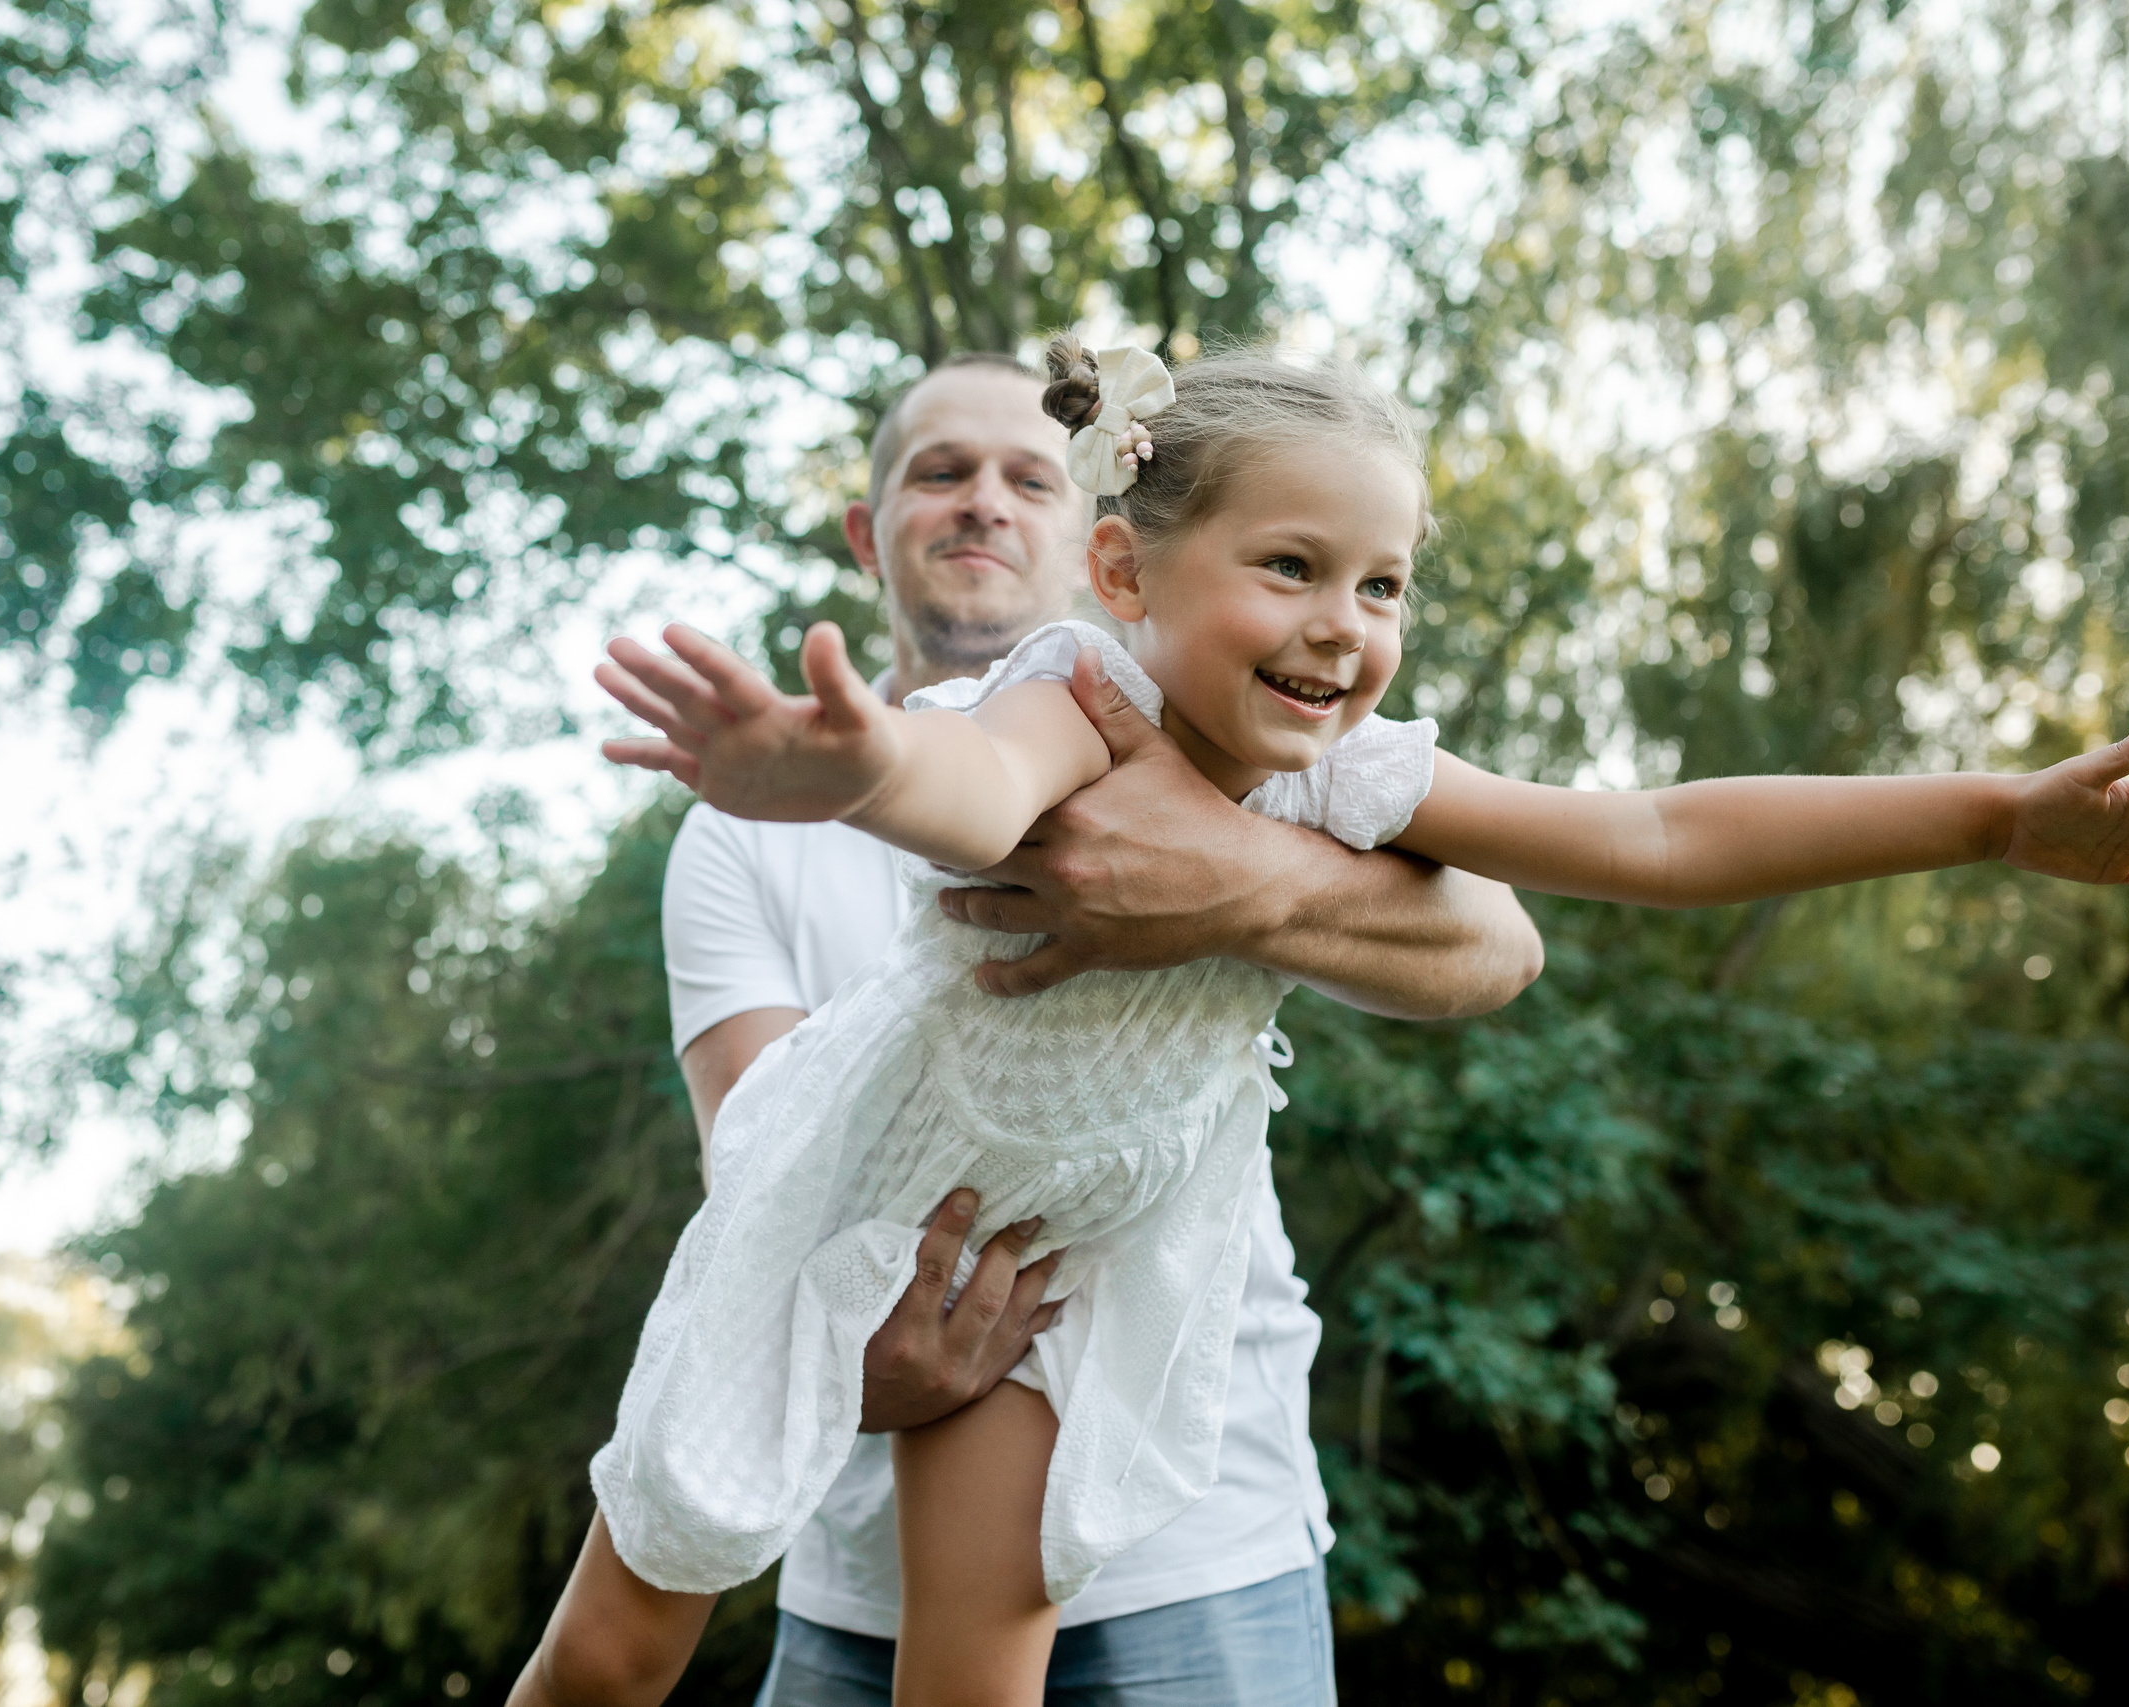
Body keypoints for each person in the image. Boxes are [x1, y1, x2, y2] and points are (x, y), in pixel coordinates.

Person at [513, 350, 1542, 1707]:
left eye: (1025, 477)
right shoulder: (757, 823)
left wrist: (1232, 884)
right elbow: (758, 1156)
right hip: (849, 1558)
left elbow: (1502, 944)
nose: (985, 502)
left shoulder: (1282, 767)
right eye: (941, 472)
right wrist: (858, 1367)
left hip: (1204, 1552)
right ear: (868, 532)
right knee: (608, 1657)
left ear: (1095, 540)